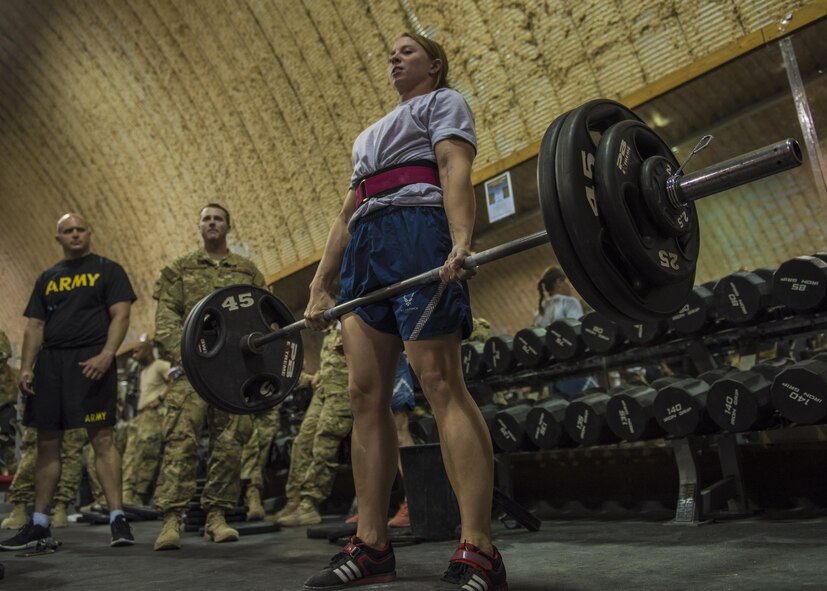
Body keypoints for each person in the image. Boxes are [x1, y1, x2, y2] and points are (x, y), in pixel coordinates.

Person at [303, 33, 507, 591]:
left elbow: (451, 166)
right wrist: (320, 286)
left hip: (418, 234)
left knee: (440, 383)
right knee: (364, 396)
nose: (394, 58)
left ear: (434, 64)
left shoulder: (446, 102)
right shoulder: (367, 136)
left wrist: (460, 241)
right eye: (390, 54)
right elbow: (345, 215)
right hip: (366, 252)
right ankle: (371, 547)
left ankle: (478, 550)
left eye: (407, 51)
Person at [0, 213, 136, 550]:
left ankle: (118, 519)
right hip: (51, 364)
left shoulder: (109, 270)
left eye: (79, 229)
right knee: (47, 444)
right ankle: (39, 523)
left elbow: (121, 314)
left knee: (102, 440)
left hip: (91, 360)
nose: (74, 235)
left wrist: (108, 354)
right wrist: (27, 367)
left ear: (89, 233)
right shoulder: (48, 277)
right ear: (58, 238)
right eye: (67, 231)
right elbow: (34, 325)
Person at [151, 203, 260, 551]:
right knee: (180, 441)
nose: (212, 223)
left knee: (230, 444)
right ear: (199, 227)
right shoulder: (180, 269)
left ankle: (217, 517)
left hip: (232, 374)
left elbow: (262, 314)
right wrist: (180, 354)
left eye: (218, 219)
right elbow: (166, 315)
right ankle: (171, 520)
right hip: (192, 372)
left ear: (229, 226)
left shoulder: (247, 270)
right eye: (206, 219)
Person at [275, 324, 352, 527]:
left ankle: (310, 503)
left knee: (325, 441)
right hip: (325, 386)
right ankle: (294, 500)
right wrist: (320, 371)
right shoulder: (334, 323)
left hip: (344, 389)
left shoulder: (354, 316)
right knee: (303, 441)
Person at [0, 428, 87, 530]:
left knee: (35, 449)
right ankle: (61, 510)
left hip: (44, 415)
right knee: (71, 453)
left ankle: (20, 510)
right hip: (75, 414)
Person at [121, 338, 171, 506]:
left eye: (137, 351)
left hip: (153, 416)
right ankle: (127, 494)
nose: (134, 356)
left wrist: (161, 397)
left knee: (147, 453)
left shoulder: (160, 365)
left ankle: (140, 496)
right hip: (139, 417)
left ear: (148, 350)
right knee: (130, 456)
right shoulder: (141, 371)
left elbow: (177, 378)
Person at [532, 266, 596, 397]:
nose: (571, 287)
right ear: (559, 282)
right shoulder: (570, 302)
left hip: (552, 375)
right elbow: (578, 336)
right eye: (569, 281)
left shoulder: (538, 313)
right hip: (574, 370)